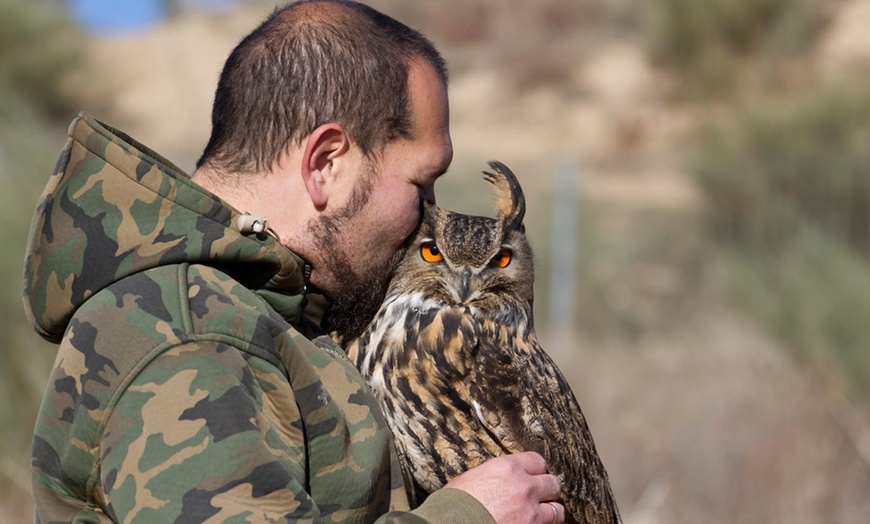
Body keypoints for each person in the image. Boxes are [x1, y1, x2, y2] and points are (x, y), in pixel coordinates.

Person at [22, 1, 565, 522]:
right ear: (326, 163)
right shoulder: (186, 336)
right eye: (421, 184)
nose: (430, 214)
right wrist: (467, 518)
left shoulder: (273, 310)